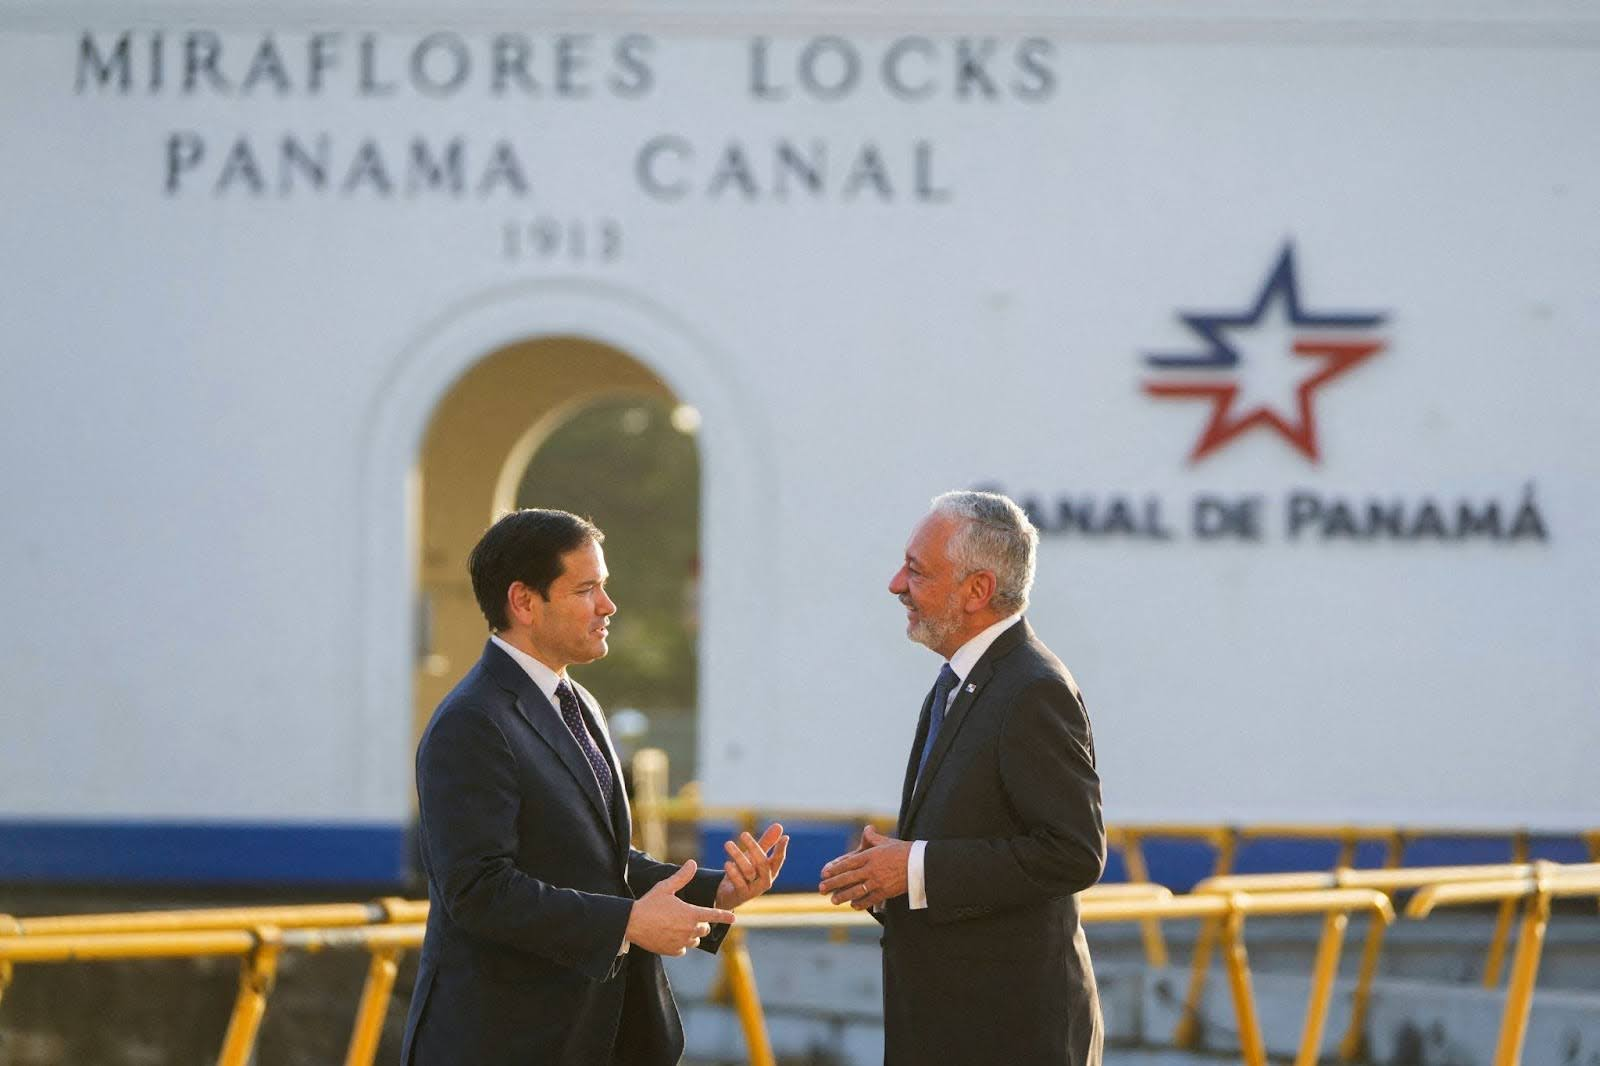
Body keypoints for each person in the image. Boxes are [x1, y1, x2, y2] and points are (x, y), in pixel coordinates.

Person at [402, 508, 788, 1066]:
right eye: (586, 590)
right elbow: (478, 890)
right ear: (524, 602)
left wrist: (716, 892)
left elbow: (599, 860)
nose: (608, 605)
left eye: (603, 587)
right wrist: (629, 922)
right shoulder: (471, 721)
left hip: (593, 1036)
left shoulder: (578, 702)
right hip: (504, 1042)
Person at [818, 491, 1105, 1065]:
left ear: (977, 590)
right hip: (954, 1028)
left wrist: (915, 867)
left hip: (1011, 1037)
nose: (896, 585)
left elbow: (1074, 853)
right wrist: (893, 876)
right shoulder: (960, 680)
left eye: (917, 570)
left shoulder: (1033, 688)